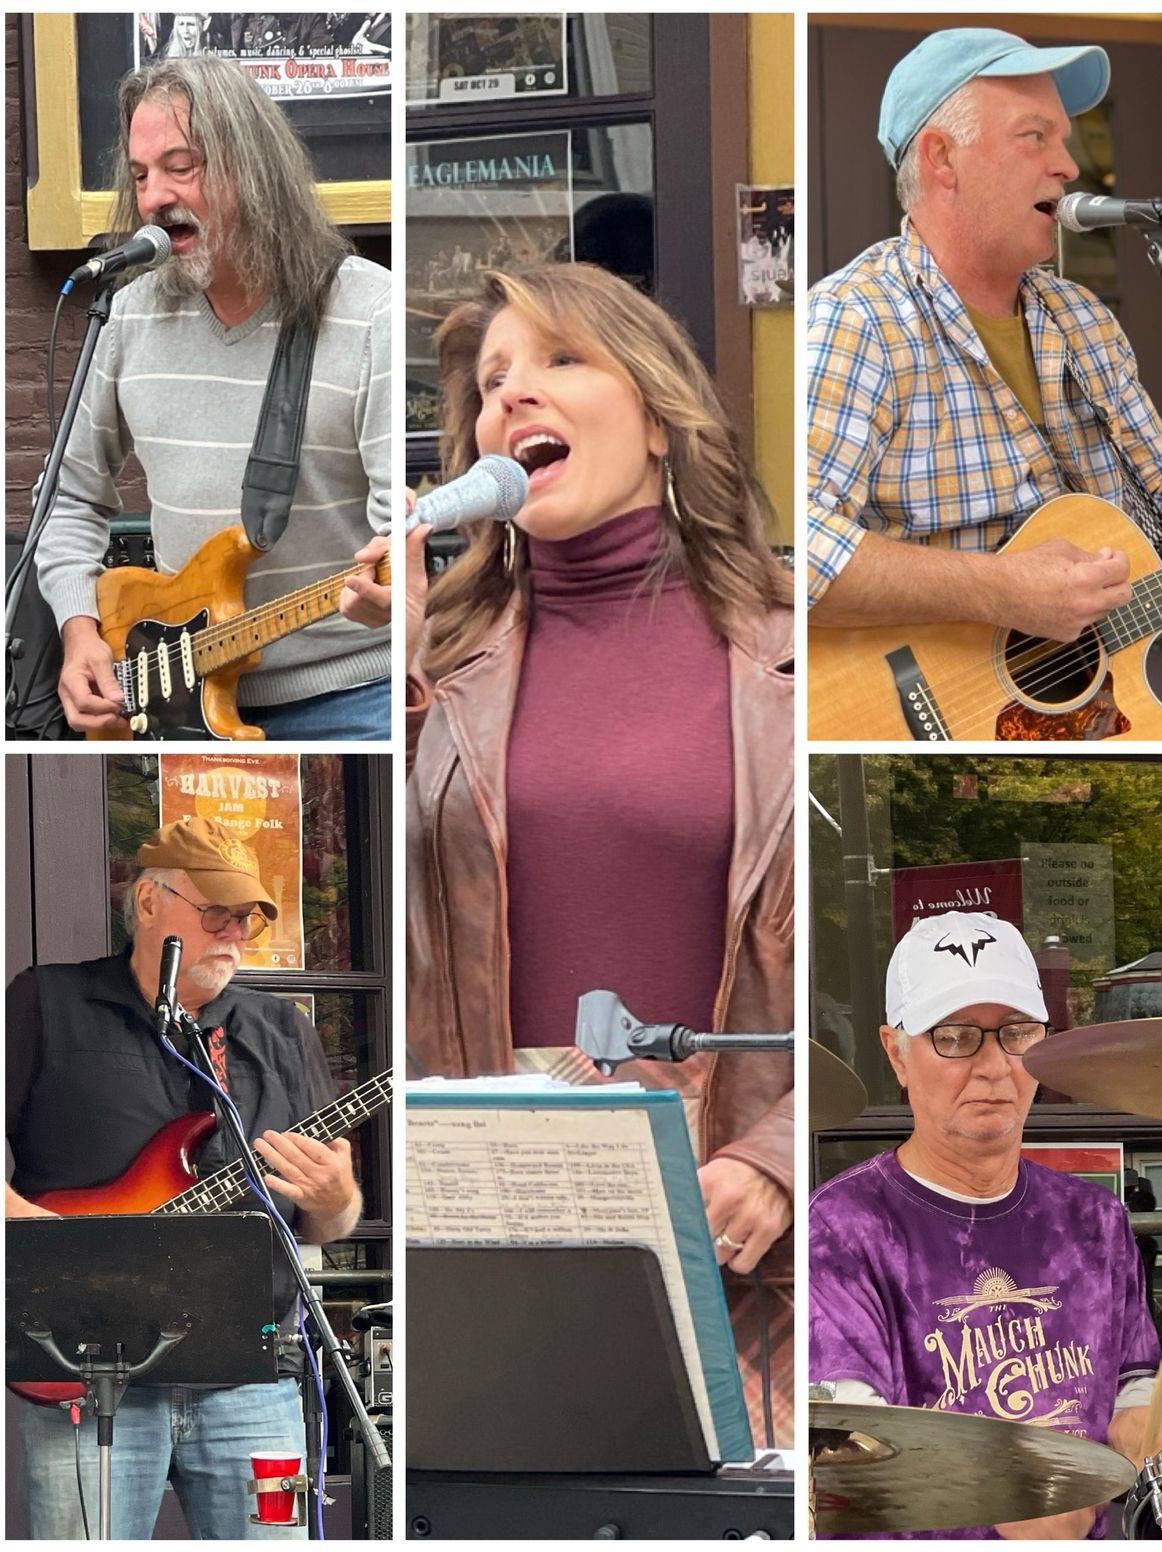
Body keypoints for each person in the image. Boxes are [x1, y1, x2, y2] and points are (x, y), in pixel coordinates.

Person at [406, 262, 794, 1445]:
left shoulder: (791, 651)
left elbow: (850, 929)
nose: (513, 398)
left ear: (664, 417)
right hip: (492, 1200)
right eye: (490, 382)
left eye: (559, 360)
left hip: (732, 1224)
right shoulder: (431, 656)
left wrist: (778, 1157)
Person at [6, 816, 361, 1539]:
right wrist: (40, 1235)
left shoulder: (280, 1031)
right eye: (215, 914)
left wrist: (337, 1202)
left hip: (253, 1379)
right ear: (147, 903)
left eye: (246, 921)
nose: (233, 932)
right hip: (90, 1369)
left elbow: (331, 1219)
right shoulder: (45, 1003)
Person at [36, 55, 392, 740]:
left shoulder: (368, 312)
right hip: (176, 701)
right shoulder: (126, 317)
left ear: (252, 167)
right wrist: (80, 631)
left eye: (181, 166)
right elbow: (68, 497)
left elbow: (394, 545)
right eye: (141, 176)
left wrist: (395, 593)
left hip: (351, 694)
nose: (153, 197)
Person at [808, 28, 1162, 645]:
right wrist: (998, 589)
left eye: (1063, 141)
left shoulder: (1082, 318)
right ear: (942, 158)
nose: (1068, 166)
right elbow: (797, 550)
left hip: (1090, 703)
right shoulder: (857, 321)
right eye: (1034, 136)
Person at [810, 910, 1162, 1539]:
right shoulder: (844, 1230)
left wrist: (1160, 1447)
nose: (991, 1067)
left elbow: (1130, 1389)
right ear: (896, 1051)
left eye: (1015, 1033)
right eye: (954, 1036)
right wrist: (1008, 1524)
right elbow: (852, 1466)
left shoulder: (1093, 1219)